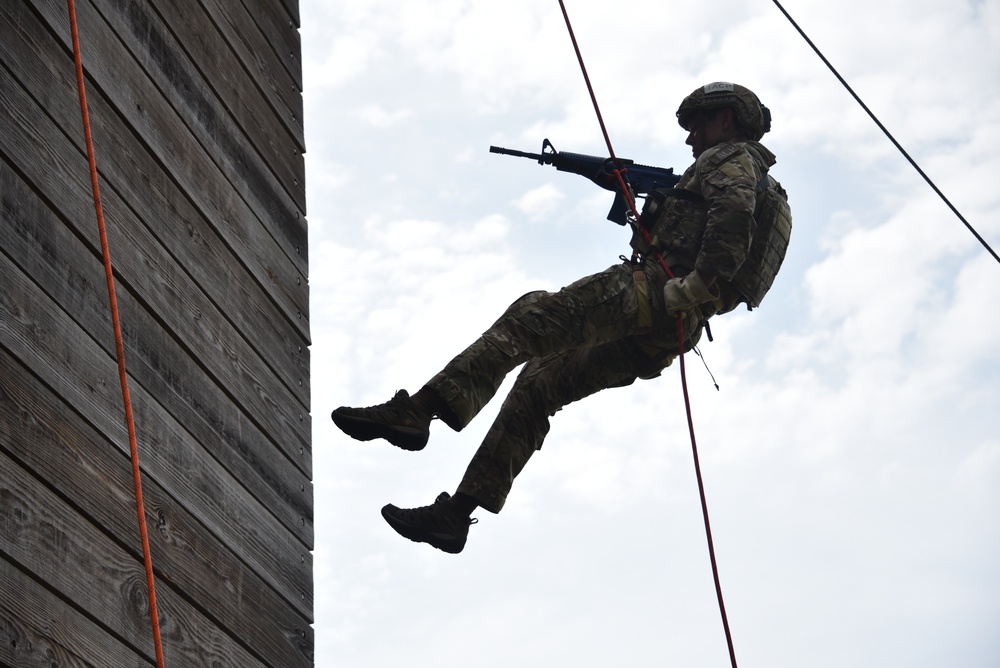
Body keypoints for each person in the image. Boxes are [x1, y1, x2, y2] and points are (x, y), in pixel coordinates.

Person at [332, 82, 792, 554]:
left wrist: (692, 286)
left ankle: (420, 411)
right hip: (671, 329)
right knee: (540, 383)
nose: (691, 138)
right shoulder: (763, 184)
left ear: (727, 121)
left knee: (532, 317)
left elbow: (731, 216)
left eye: (698, 124)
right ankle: (457, 514)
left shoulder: (729, 160)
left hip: (657, 294)